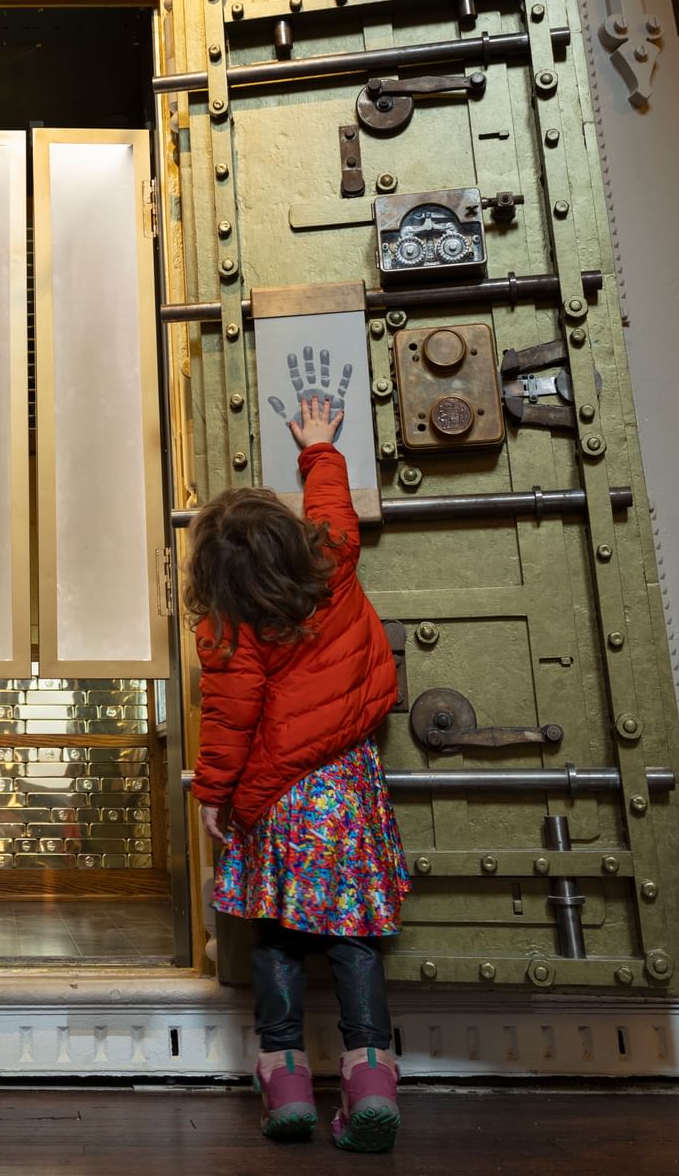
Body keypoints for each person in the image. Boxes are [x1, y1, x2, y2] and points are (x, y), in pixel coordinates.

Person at [190, 387, 406, 1152]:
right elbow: (334, 508)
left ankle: (284, 1082)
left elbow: (231, 718)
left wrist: (217, 793)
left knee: (277, 934)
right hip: (346, 785)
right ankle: (371, 1073)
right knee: (353, 935)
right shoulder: (331, 562)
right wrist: (318, 442)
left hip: (277, 798)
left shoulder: (229, 626)